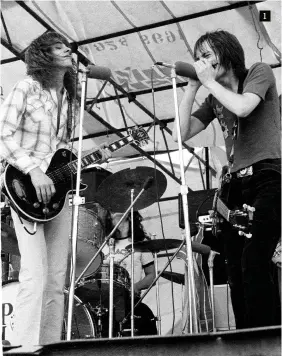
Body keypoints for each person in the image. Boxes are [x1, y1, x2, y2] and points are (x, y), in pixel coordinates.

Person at [0, 31, 111, 345]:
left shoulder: (68, 98)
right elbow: (3, 136)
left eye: (68, 46)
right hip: (24, 188)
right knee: (34, 273)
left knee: (56, 277)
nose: (68, 49)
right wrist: (34, 172)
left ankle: (49, 346)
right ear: (43, 56)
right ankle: (23, 346)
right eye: (59, 47)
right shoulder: (26, 88)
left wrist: (80, 165)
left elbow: (61, 153)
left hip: (58, 197)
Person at [172, 30, 281, 329]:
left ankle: (268, 336)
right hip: (235, 185)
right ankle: (247, 338)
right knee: (233, 266)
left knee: (255, 260)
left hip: (267, 176)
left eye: (206, 55)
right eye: (198, 58)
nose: (201, 62)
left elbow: (244, 106)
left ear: (226, 52)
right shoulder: (212, 96)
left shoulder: (259, 72)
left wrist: (206, 81)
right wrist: (192, 88)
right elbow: (182, 134)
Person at [102, 210, 157, 336]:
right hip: (106, 301)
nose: (116, 210)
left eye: (120, 207)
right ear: (108, 217)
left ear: (129, 214)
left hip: (130, 300)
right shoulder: (103, 245)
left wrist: (136, 287)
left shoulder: (140, 243)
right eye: (112, 209)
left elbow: (152, 275)